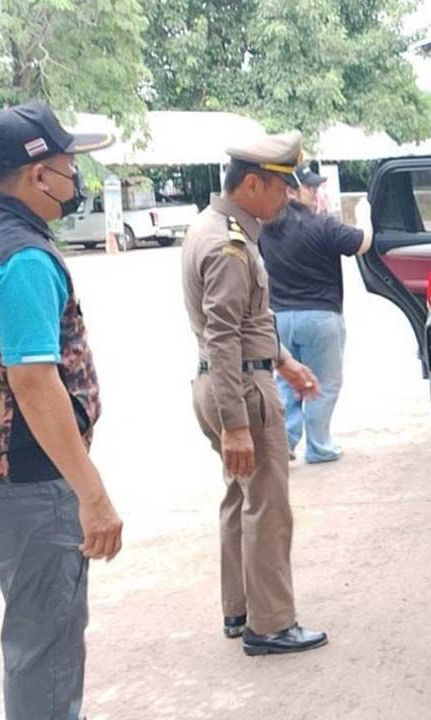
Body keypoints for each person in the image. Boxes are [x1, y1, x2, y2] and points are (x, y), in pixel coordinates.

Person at [0, 102, 123, 719]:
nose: (77, 180)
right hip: (28, 484)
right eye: (70, 166)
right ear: (40, 175)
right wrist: (91, 495)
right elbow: (36, 382)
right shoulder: (21, 258)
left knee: (37, 633)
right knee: (46, 646)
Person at [181, 131, 328, 655]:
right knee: (266, 506)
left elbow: (244, 322)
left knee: (239, 497)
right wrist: (238, 421)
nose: (286, 198)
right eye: (280, 188)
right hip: (238, 387)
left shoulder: (213, 226)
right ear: (250, 184)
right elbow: (224, 335)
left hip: (225, 379)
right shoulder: (229, 244)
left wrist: (284, 363)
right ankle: (270, 625)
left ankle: (240, 608)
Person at [258, 164, 372, 464]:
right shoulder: (323, 226)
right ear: (291, 191)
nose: (317, 192)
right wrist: (365, 217)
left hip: (280, 319)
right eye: (311, 188)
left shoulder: (266, 230)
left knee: (287, 381)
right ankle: (320, 447)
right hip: (321, 319)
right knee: (324, 383)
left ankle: (285, 444)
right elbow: (363, 242)